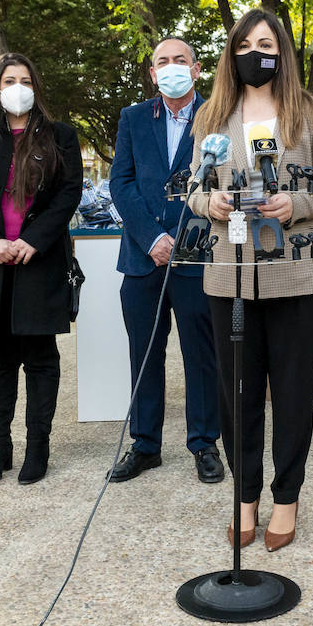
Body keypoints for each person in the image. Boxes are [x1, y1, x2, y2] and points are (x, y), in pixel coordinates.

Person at [185, 7, 313, 552]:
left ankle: (287, 498)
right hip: (229, 275)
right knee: (236, 395)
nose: (258, 53)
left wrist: (292, 203)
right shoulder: (210, 115)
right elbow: (192, 190)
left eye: (268, 44)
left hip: (295, 274)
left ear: (282, 52)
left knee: (294, 394)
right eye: (247, 44)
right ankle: (245, 496)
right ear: (233, 53)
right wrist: (215, 203)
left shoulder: (310, 111)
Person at [0, 53, 82, 486]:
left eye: (25, 79)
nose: (18, 87)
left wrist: (32, 240)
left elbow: (68, 194)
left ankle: (37, 446)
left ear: (36, 86)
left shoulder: (61, 137)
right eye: (9, 80)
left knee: (41, 358)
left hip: (38, 261)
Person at [106, 37, 223, 484]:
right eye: (162, 62)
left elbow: (223, 180)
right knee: (145, 354)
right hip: (142, 258)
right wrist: (151, 236)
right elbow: (122, 182)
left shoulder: (217, 117)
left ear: (196, 70)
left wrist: (182, 235)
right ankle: (145, 445)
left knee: (201, 353)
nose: (171, 67)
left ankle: (204, 443)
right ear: (153, 74)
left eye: (180, 60)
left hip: (196, 258)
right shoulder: (133, 118)